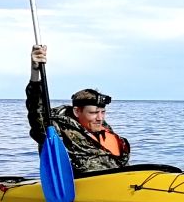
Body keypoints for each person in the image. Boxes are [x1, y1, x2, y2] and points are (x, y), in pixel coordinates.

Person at [25, 44, 130, 172]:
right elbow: (36, 114)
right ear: (77, 111)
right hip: (79, 185)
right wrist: (35, 73)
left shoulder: (104, 129)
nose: (100, 118)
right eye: (93, 113)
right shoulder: (57, 129)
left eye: (103, 112)